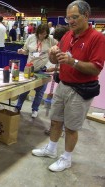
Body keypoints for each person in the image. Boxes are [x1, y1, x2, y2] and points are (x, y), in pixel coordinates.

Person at [32, 0, 105, 172]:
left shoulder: (97, 38)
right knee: (56, 121)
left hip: (81, 90)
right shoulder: (67, 36)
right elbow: (55, 60)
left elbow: (96, 67)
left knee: (71, 127)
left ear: (86, 16)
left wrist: (73, 62)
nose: (71, 21)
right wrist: (52, 55)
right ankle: (51, 149)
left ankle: (66, 158)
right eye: (68, 18)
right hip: (63, 85)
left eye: (75, 17)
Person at [14, 24, 58, 118]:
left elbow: (58, 48)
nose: (42, 36)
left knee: (40, 91)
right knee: (25, 89)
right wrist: (22, 51)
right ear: (37, 32)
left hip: (43, 69)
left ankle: (35, 109)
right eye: (41, 34)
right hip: (30, 68)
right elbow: (26, 50)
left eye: (45, 34)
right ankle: (18, 107)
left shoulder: (50, 39)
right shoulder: (31, 38)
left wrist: (51, 64)